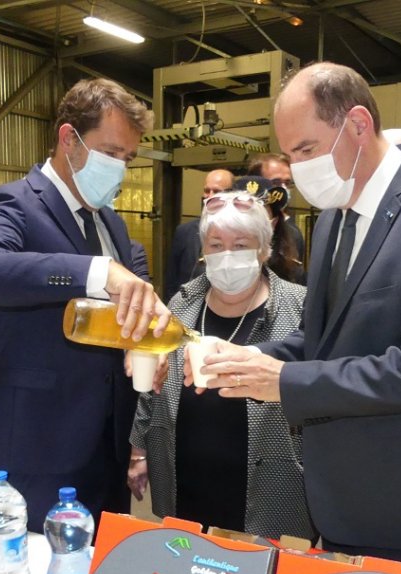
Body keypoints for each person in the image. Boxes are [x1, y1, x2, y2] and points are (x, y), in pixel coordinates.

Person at [191, 62, 401, 574]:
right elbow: (326, 338)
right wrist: (254, 358)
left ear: (358, 125)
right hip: (346, 499)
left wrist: (286, 381)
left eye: (306, 150)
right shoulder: (341, 213)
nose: (296, 172)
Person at [0, 77, 169, 532]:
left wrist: (147, 345)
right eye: (110, 153)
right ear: (68, 138)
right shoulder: (12, 204)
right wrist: (96, 272)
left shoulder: (112, 224)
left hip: (107, 443)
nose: (120, 168)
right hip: (39, 444)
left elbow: (133, 315)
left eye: (128, 158)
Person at [129, 190, 313, 539]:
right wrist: (139, 451)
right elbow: (153, 388)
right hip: (185, 482)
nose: (227, 256)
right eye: (215, 245)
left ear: (264, 249)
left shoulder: (299, 308)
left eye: (241, 245)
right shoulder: (181, 305)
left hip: (272, 490)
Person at [164, 168, 234, 301]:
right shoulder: (184, 232)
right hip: (186, 308)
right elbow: (171, 280)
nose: (210, 196)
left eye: (217, 191)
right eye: (207, 190)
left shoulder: (238, 233)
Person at [232, 175, 304, 285]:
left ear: (274, 223)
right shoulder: (212, 267)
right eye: (243, 215)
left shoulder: (291, 271)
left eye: (261, 215)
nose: (251, 224)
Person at [247, 152, 306, 260]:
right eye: (276, 182)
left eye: (287, 183)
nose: (283, 189)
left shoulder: (292, 235)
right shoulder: (238, 225)